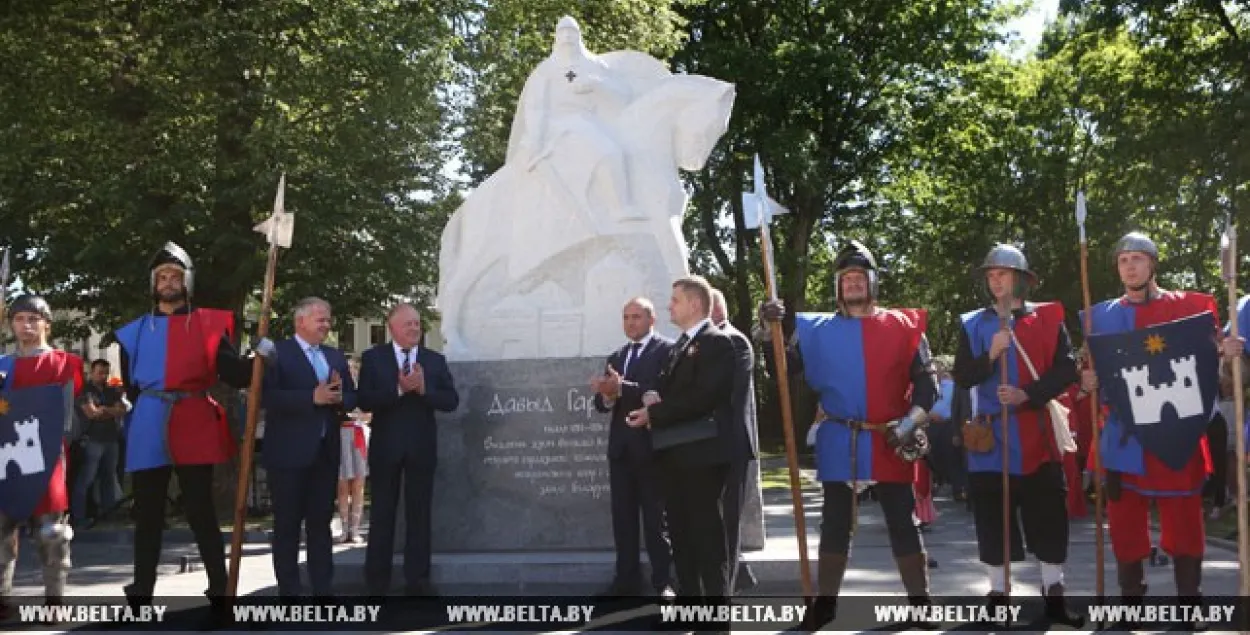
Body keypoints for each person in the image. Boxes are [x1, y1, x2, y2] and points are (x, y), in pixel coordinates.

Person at [757, 240, 938, 630]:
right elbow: (783, 372)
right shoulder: (815, 330)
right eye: (846, 278)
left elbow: (929, 388)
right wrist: (767, 329)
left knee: (901, 522)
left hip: (890, 437)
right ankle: (824, 605)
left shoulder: (906, 327)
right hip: (840, 437)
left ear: (872, 282)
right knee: (835, 523)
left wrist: (907, 426)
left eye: (859, 277)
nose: (853, 283)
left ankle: (921, 604)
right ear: (838, 286)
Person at [1083, 232, 1241, 622]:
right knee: (1125, 526)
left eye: (1138, 258)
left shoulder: (1189, 308)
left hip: (1177, 432)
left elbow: (1212, 364)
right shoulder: (1100, 315)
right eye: (1123, 260)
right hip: (1125, 437)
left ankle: (1189, 605)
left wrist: (1228, 352)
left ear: (1153, 264)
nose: (1130, 266)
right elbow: (1095, 369)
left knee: (1185, 522)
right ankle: (1131, 606)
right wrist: (1087, 379)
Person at [113, 242, 264, 623]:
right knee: (147, 512)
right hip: (150, 417)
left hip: (194, 415)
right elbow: (133, 385)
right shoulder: (134, 332)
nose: (168, 282)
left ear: (187, 282)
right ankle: (142, 591)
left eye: (175, 276)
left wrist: (261, 353)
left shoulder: (211, 325)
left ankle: (219, 589)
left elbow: (236, 374)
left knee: (200, 510)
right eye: (162, 276)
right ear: (153, 284)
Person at [952, 244, 1082, 627]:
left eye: (1003, 274)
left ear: (1021, 279)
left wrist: (1030, 394)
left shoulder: (1048, 318)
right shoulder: (972, 324)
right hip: (989, 439)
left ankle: (1054, 595)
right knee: (993, 518)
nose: (996, 281)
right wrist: (990, 356)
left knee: (1048, 518)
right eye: (991, 275)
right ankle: (998, 595)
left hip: (1036, 434)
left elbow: (1067, 369)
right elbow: (962, 376)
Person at [625, 276, 740, 603]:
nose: (669, 306)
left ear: (695, 304)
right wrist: (650, 398)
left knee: (705, 537)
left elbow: (704, 396)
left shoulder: (717, 342)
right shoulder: (680, 345)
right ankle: (690, 605)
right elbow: (672, 393)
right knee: (681, 535)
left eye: (675, 300)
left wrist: (655, 415)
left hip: (702, 457)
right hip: (675, 455)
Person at [358, 303, 459, 596]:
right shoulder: (373, 358)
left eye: (417, 324)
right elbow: (364, 400)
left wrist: (424, 390)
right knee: (382, 513)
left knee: (419, 514)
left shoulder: (434, 361)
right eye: (408, 325)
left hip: (421, 448)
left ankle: (417, 580)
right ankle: (376, 580)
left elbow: (451, 401)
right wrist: (399, 390)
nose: (415, 329)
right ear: (392, 328)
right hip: (386, 448)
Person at [261, 297, 356, 598]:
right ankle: (289, 590)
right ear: (300, 321)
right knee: (287, 525)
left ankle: (323, 588)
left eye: (328, 319)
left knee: (320, 524)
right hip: (288, 454)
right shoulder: (278, 353)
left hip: (325, 454)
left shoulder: (335, 356)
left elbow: (353, 398)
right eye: (320, 319)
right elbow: (266, 398)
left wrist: (340, 397)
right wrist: (309, 398)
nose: (326, 325)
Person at [0, 295, 83, 621]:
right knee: (1, 530)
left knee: (53, 533)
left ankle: (54, 603)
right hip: (7, 457)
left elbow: (63, 420)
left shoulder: (64, 363)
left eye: (33, 319)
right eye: (20, 319)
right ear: (12, 325)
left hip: (47, 457)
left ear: (47, 323)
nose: (27, 325)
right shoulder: (3, 366)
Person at [589, 297, 673, 597]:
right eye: (626, 317)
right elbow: (601, 404)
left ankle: (663, 582)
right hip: (621, 450)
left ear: (652, 320)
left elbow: (659, 390)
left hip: (653, 450)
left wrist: (622, 387)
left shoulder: (667, 350)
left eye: (636, 317)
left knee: (656, 522)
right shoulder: (617, 355)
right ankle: (625, 580)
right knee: (623, 520)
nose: (630, 323)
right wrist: (607, 394)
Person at [709, 288, 760, 594]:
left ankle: (730, 581)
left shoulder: (732, 341)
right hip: (716, 446)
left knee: (728, 518)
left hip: (730, 445)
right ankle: (733, 574)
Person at [71, 359, 127, 528]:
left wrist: (104, 410)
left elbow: (122, 410)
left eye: (105, 373)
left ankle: (109, 513)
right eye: (99, 372)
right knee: (86, 479)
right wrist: (110, 411)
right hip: (92, 440)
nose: (103, 376)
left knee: (109, 477)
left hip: (111, 440)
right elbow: (91, 414)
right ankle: (78, 517)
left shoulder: (112, 390)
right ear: (92, 372)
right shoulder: (85, 391)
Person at [338, 357, 370, 544]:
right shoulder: (340, 389)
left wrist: (364, 417)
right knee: (343, 484)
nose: (351, 372)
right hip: (342, 433)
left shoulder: (364, 389)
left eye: (353, 369)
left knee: (359, 483)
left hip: (360, 434)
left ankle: (355, 529)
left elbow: (371, 413)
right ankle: (343, 528)